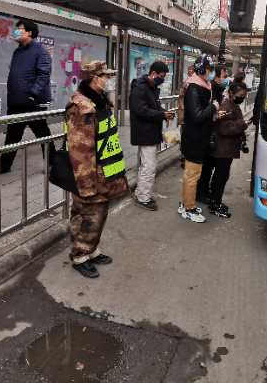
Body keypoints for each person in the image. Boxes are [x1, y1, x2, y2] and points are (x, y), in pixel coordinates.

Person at [66, 61, 128, 278]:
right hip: (90, 173)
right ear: (94, 78)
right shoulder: (82, 107)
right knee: (88, 214)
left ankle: (90, 250)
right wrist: (86, 183)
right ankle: (80, 255)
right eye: (105, 76)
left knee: (98, 212)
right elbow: (79, 150)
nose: (108, 80)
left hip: (103, 170)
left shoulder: (98, 101)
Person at [0, 20, 52, 176]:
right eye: (16, 29)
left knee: (43, 135)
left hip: (32, 103)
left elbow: (43, 75)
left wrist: (32, 94)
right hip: (16, 102)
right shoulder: (17, 52)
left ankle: (52, 164)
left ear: (29, 32)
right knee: (12, 136)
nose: (16, 31)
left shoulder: (40, 51)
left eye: (20, 29)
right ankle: (4, 166)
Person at [179, 54, 222, 223]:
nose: (212, 73)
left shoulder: (203, 86)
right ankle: (189, 209)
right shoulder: (194, 89)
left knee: (191, 175)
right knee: (192, 176)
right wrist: (213, 106)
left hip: (198, 138)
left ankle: (185, 204)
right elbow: (197, 116)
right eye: (210, 69)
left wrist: (213, 112)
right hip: (194, 140)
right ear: (202, 69)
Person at [129, 60, 174, 210]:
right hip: (144, 132)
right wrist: (161, 115)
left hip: (150, 131)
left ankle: (141, 192)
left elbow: (154, 107)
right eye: (162, 76)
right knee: (149, 166)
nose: (163, 79)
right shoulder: (140, 87)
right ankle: (143, 198)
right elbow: (141, 110)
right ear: (153, 73)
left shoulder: (151, 87)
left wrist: (164, 113)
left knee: (145, 165)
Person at [209, 79, 249, 218]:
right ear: (231, 93)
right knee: (220, 176)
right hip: (223, 149)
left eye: (244, 96)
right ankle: (215, 204)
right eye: (240, 95)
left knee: (222, 176)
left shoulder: (232, 105)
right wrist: (241, 124)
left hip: (227, 149)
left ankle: (215, 201)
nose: (242, 98)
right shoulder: (226, 107)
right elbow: (224, 128)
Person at [196, 64, 230, 202]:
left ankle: (204, 191)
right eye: (224, 76)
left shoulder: (217, 89)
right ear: (216, 76)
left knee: (208, 166)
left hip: (212, 131)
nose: (225, 78)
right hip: (209, 133)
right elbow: (204, 112)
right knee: (207, 166)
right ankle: (201, 193)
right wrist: (216, 113)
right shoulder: (210, 89)